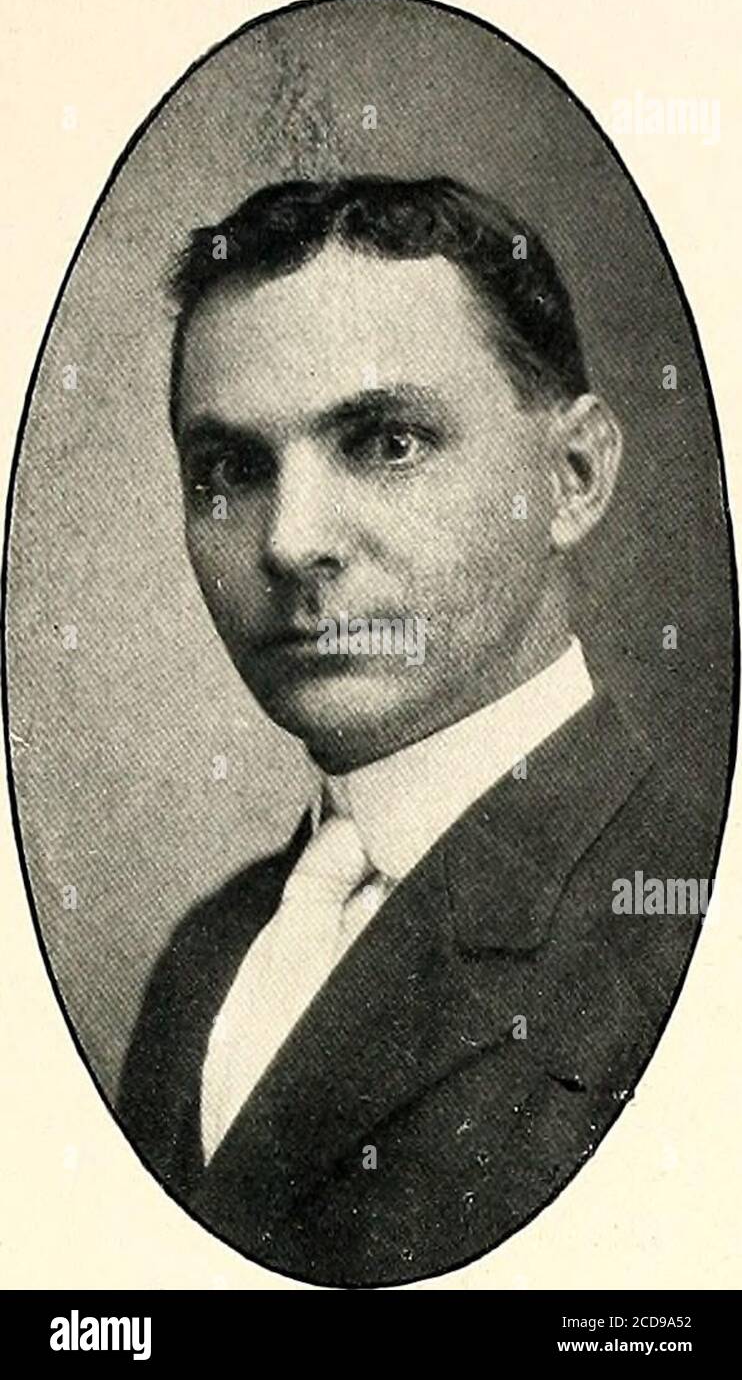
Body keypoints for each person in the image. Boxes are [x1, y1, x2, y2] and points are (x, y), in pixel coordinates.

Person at [118, 176, 708, 1286]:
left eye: (386, 442)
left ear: (573, 476)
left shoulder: (686, 920)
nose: (289, 541)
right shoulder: (212, 953)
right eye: (231, 469)